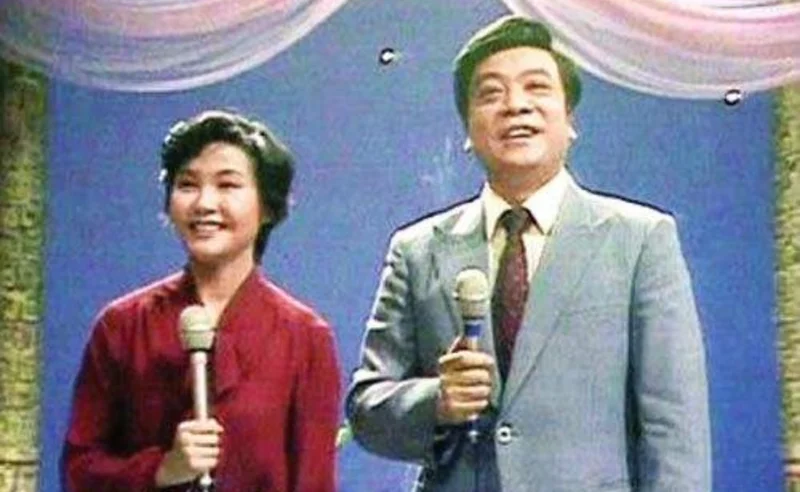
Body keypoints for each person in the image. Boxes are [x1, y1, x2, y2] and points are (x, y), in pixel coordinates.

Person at [346, 15, 711, 492]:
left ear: (570, 120)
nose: (516, 105)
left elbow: (674, 428)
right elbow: (367, 408)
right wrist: (437, 400)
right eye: (491, 93)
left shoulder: (640, 240)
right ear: (467, 130)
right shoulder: (417, 252)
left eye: (537, 87)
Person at [62, 109, 341, 491]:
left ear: (267, 207)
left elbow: (314, 482)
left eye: (227, 185)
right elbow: (79, 470)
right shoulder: (122, 325)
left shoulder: (305, 337)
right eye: (188, 185)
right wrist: (162, 469)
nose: (205, 203)